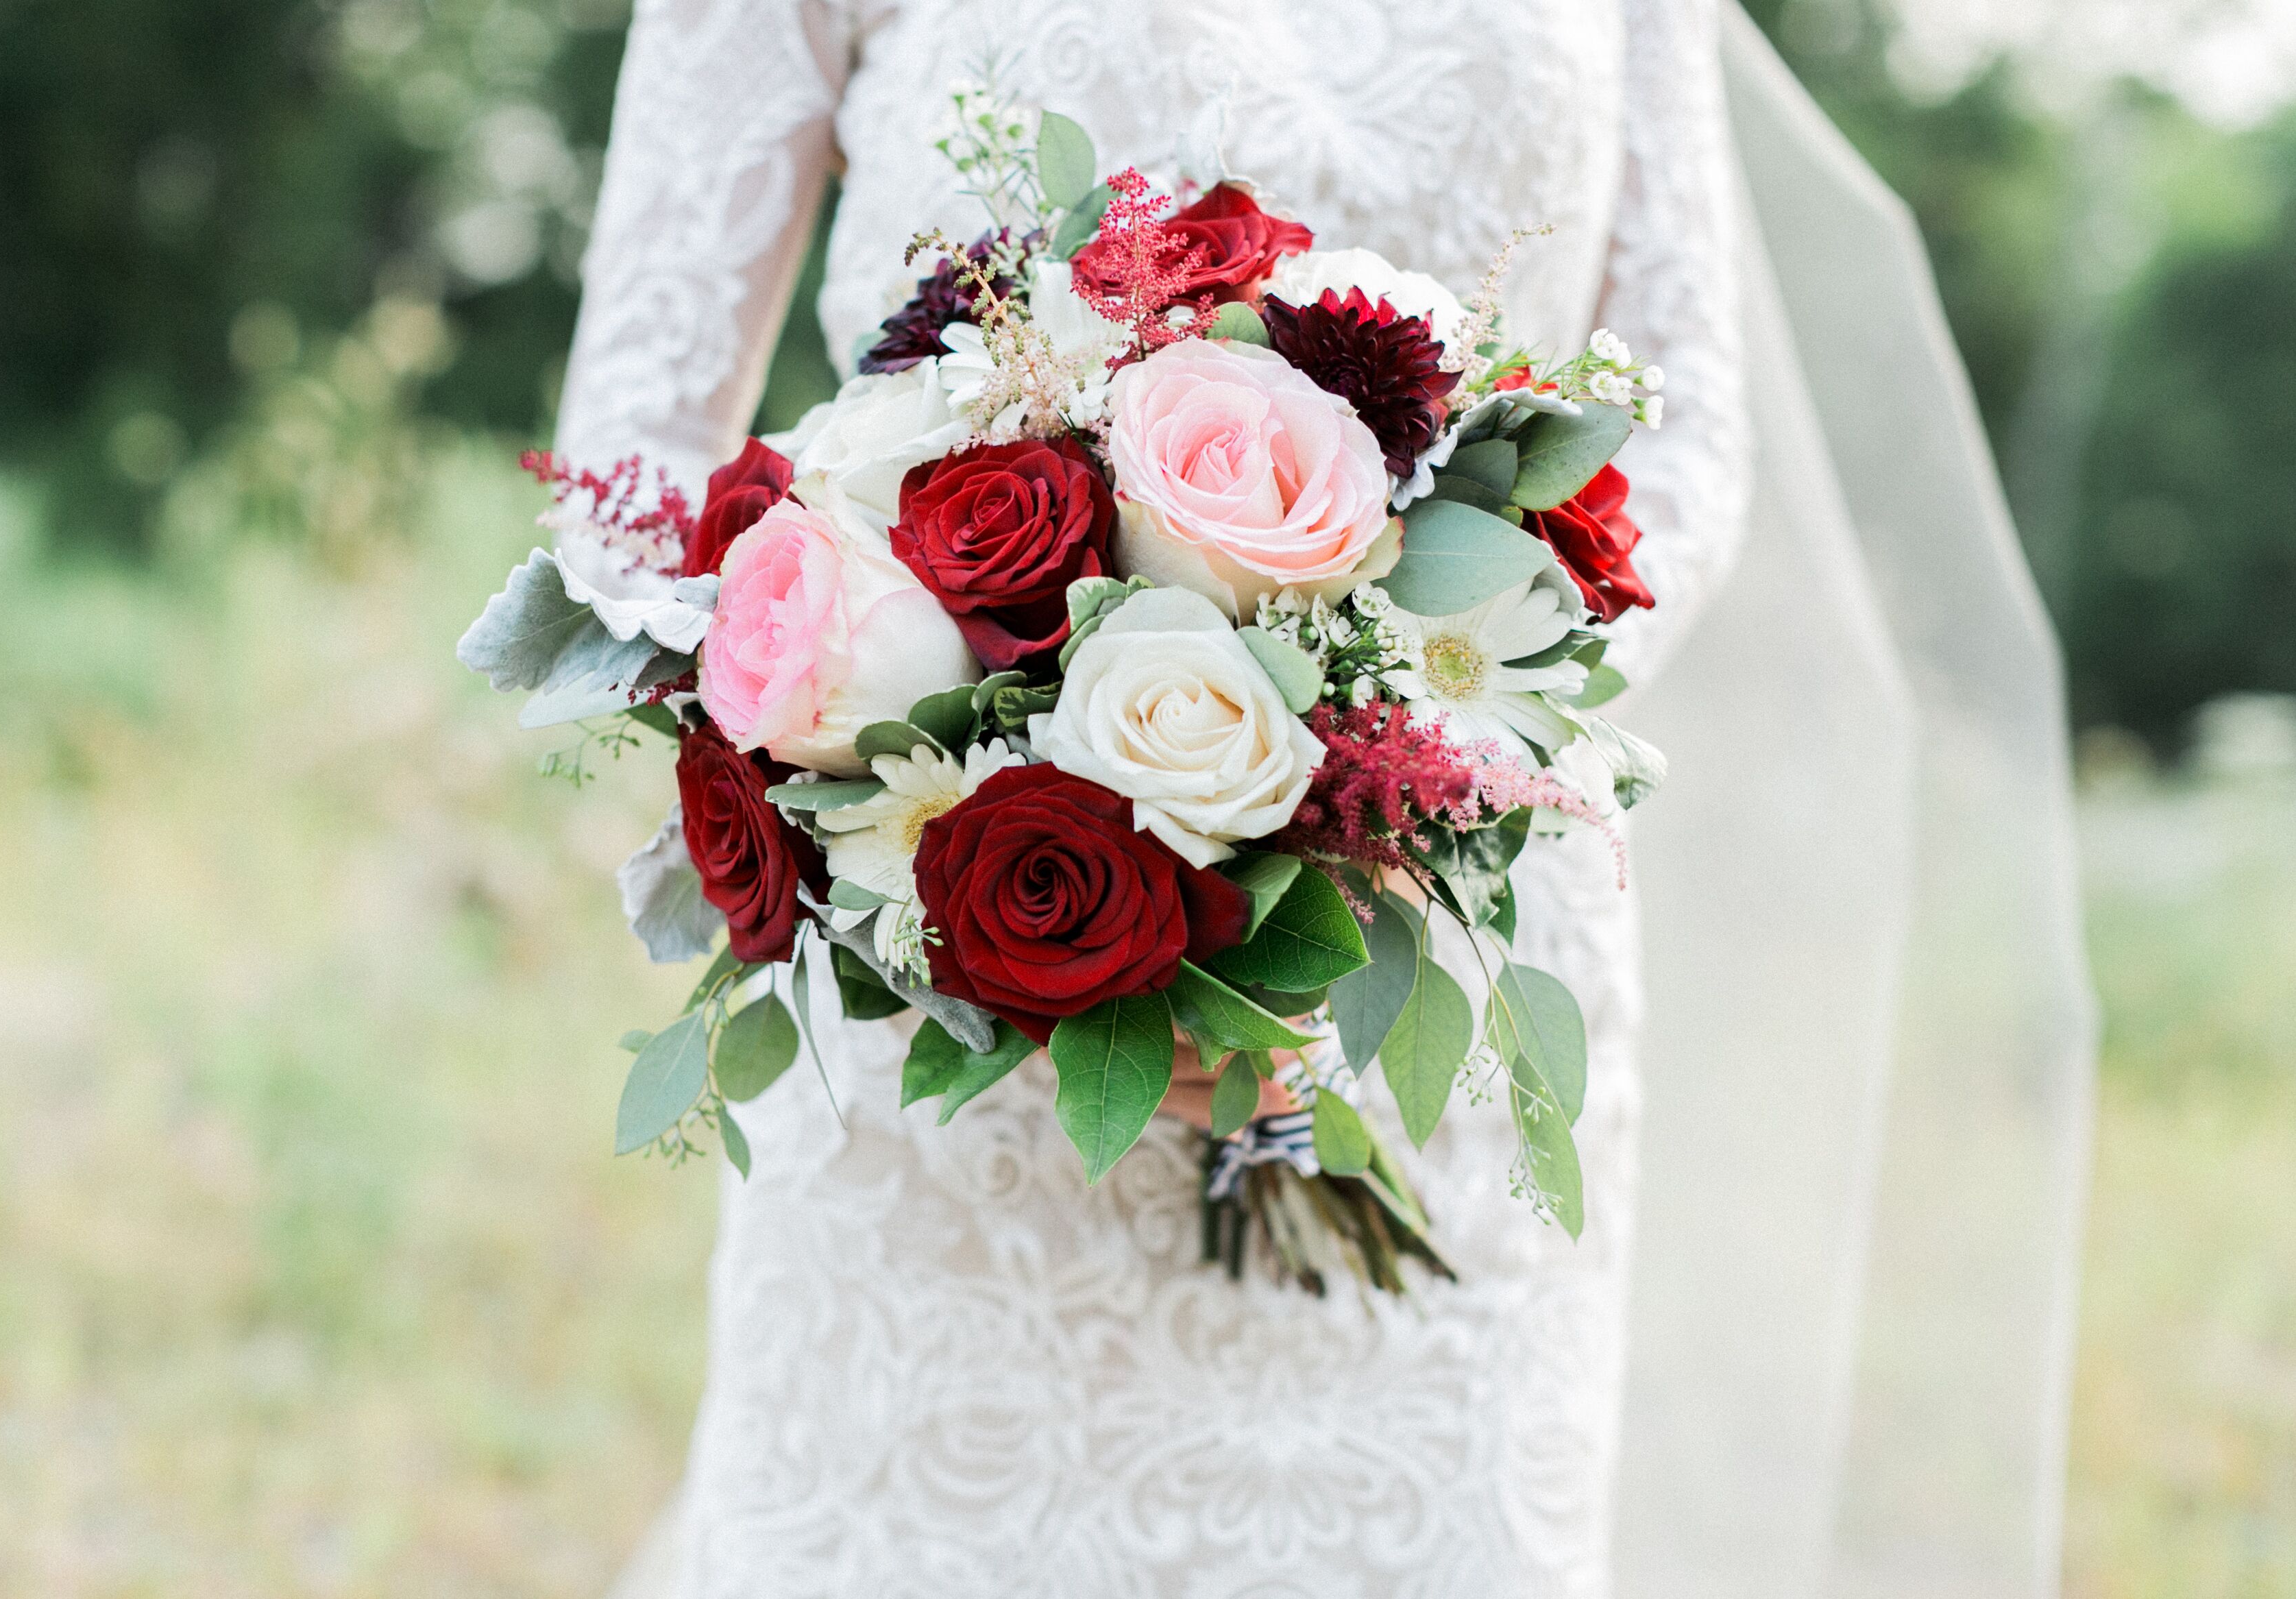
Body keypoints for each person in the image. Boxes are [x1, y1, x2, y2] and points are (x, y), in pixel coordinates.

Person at [558, 4, 2095, 1595]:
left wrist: (1395, 777)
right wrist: (955, 793)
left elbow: (1683, 438)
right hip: (954, 972)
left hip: (1434, 947)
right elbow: (635, 482)